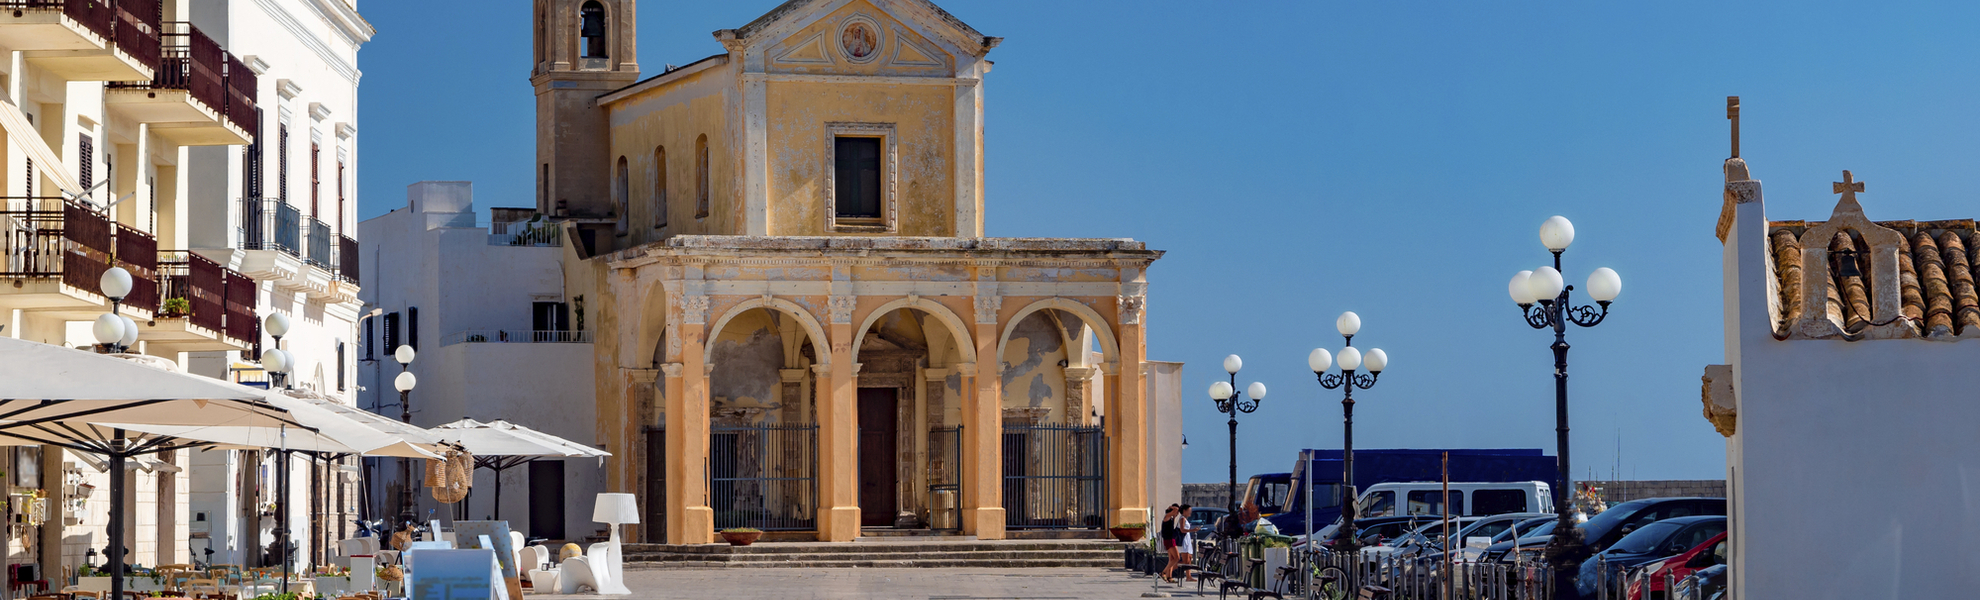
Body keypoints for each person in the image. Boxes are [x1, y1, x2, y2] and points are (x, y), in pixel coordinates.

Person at [1158, 505, 1182, 582]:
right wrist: (1172, 507)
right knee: (1177, 558)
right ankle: (1163, 572)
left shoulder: (1171, 518)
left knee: (1171, 559)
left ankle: (1169, 576)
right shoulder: (1167, 517)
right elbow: (1176, 509)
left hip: (1170, 539)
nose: (1177, 513)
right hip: (1169, 540)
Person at [1176, 505, 1199, 582]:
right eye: (1189, 510)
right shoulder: (1182, 519)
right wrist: (1193, 530)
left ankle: (1189, 576)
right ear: (1184, 511)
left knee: (1189, 559)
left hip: (1187, 540)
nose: (1190, 512)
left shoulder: (1185, 519)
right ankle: (1168, 570)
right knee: (1185, 559)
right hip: (1184, 541)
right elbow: (1182, 530)